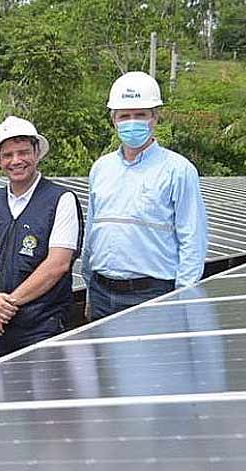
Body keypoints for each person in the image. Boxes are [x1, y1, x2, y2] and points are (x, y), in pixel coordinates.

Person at [83, 71, 208, 319]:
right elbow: (92, 233)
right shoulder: (101, 168)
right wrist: (89, 288)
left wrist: (182, 298)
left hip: (152, 293)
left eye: (140, 115)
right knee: (106, 359)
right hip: (101, 292)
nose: (132, 122)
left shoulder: (178, 170)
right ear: (113, 120)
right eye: (125, 116)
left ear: (155, 118)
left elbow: (192, 240)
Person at [0, 117, 83, 360]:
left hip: (42, 325)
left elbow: (57, 264)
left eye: (23, 152)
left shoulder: (61, 200)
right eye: (8, 155)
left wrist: (5, 307)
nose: (16, 160)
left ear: (37, 153)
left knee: (42, 395)